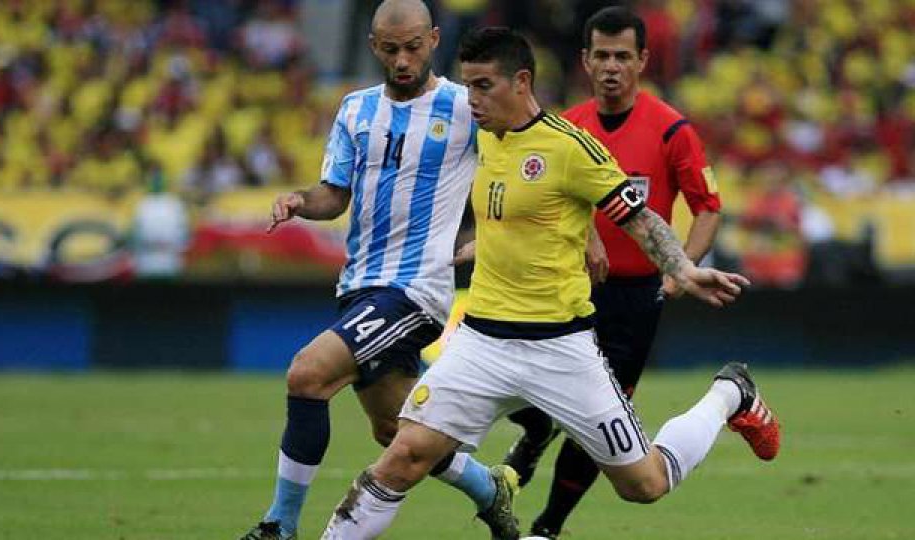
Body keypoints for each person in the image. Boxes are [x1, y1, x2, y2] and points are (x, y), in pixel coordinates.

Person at [320, 26, 780, 540]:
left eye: (483, 86)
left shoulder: (569, 147)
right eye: (467, 86)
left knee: (644, 484)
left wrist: (683, 268)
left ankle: (727, 395)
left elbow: (639, 217)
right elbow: (516, 214)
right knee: (402, 458)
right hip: (480, 344)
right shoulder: (483, 138)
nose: (471, 100)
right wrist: (485, 245)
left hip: (560, 349)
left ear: (521, 82)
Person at [238, 3, 518, 539]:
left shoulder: (465, 107)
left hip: (416, 290)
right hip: (360, 286)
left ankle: (279, 527)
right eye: (391, 49)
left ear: (434, 39)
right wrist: (300, 199)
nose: (403, 58)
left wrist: (488, 235)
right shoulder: (355, 110)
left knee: (307, 373)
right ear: (374, 47)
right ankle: (491, 489)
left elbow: (517, 167)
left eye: (414, 46)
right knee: (397, 429)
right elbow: (334, 195)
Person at [501, 7, 728, 537]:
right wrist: (587, 235)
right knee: (528, 386)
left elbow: (708, 206)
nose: (611, 67)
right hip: (568, 289)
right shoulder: (566, 128)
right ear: (584, 60)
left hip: (635, 299)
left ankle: (547, 526)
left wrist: (682, 269)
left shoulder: (671, 129)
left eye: (622, 56)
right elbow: (548, 202)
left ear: (642, 61)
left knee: (601, 420)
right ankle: (534, 434)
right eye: (601, 56)